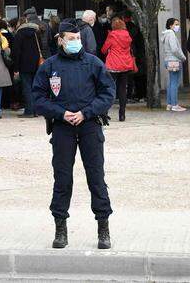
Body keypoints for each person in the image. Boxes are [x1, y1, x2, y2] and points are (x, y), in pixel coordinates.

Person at [33, 18, 114, 251]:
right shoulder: (49, 66)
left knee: (96, 177)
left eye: (78, 39)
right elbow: (37, 98)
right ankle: (60, 228)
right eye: (71, 39)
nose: (76, 42)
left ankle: (103, 227)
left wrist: (86, 113)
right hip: (62, 128)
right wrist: (60, 113)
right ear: (60, 40)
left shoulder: (93, 63)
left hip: (89, 126)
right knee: (62, 178)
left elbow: (108, 93)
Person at [100, 18, 136, 122]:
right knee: (122, 89)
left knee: (109, 88)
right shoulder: (127, 35)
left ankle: (105, 113)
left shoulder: (112, 35)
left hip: (113, 65)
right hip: (125, 65)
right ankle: (122, 115)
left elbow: (104, 49)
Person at [13, 12, 45, 118]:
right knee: (35, 87)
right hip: (36, 64)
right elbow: (41, 47)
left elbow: (16, 52)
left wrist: (16, 67)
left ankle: (29, 111)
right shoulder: (36, 33)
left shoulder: (19, 34)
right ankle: (36, 110)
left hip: (24, 64)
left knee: (26, 88)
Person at [160, 19, 187, 112]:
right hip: (174, 60)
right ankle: (175, 104)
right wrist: (183, 57)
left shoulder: (166, 34)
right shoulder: (171, 34)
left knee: (171, 83)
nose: (177, 26)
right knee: (175, 83)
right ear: (170, 25)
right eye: (176, 24)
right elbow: (175, 49)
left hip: (168, 60)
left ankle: (170, 104)